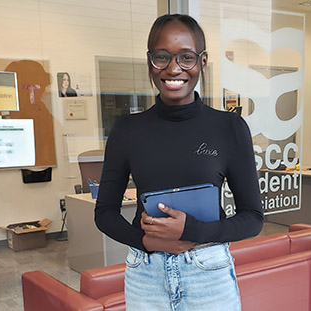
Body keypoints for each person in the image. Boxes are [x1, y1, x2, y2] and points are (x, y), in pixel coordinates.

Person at [95, 14, 263, 310]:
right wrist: (146, 241)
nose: (174, 69)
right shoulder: (127, 130)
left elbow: (252, 218)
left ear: (203, 61)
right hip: (145, 275)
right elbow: (105, 212)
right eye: (162, 57)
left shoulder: (229, 128)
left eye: (186, 57)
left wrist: (193, 231)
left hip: (208, 273)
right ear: (150, 61)